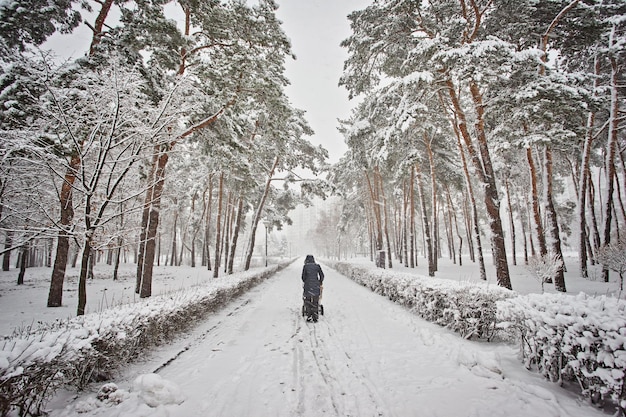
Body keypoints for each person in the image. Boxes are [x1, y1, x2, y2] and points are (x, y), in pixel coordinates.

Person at [302, 254, 324, 322]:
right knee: (315, 301)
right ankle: (315, 316)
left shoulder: (305, 267)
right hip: (316, 285)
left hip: (308, 286)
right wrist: (320, 282)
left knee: (308, 300)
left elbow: (303, 277)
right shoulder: (317, 266)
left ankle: (309, 315)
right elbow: (322, 275)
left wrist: (306, 282)